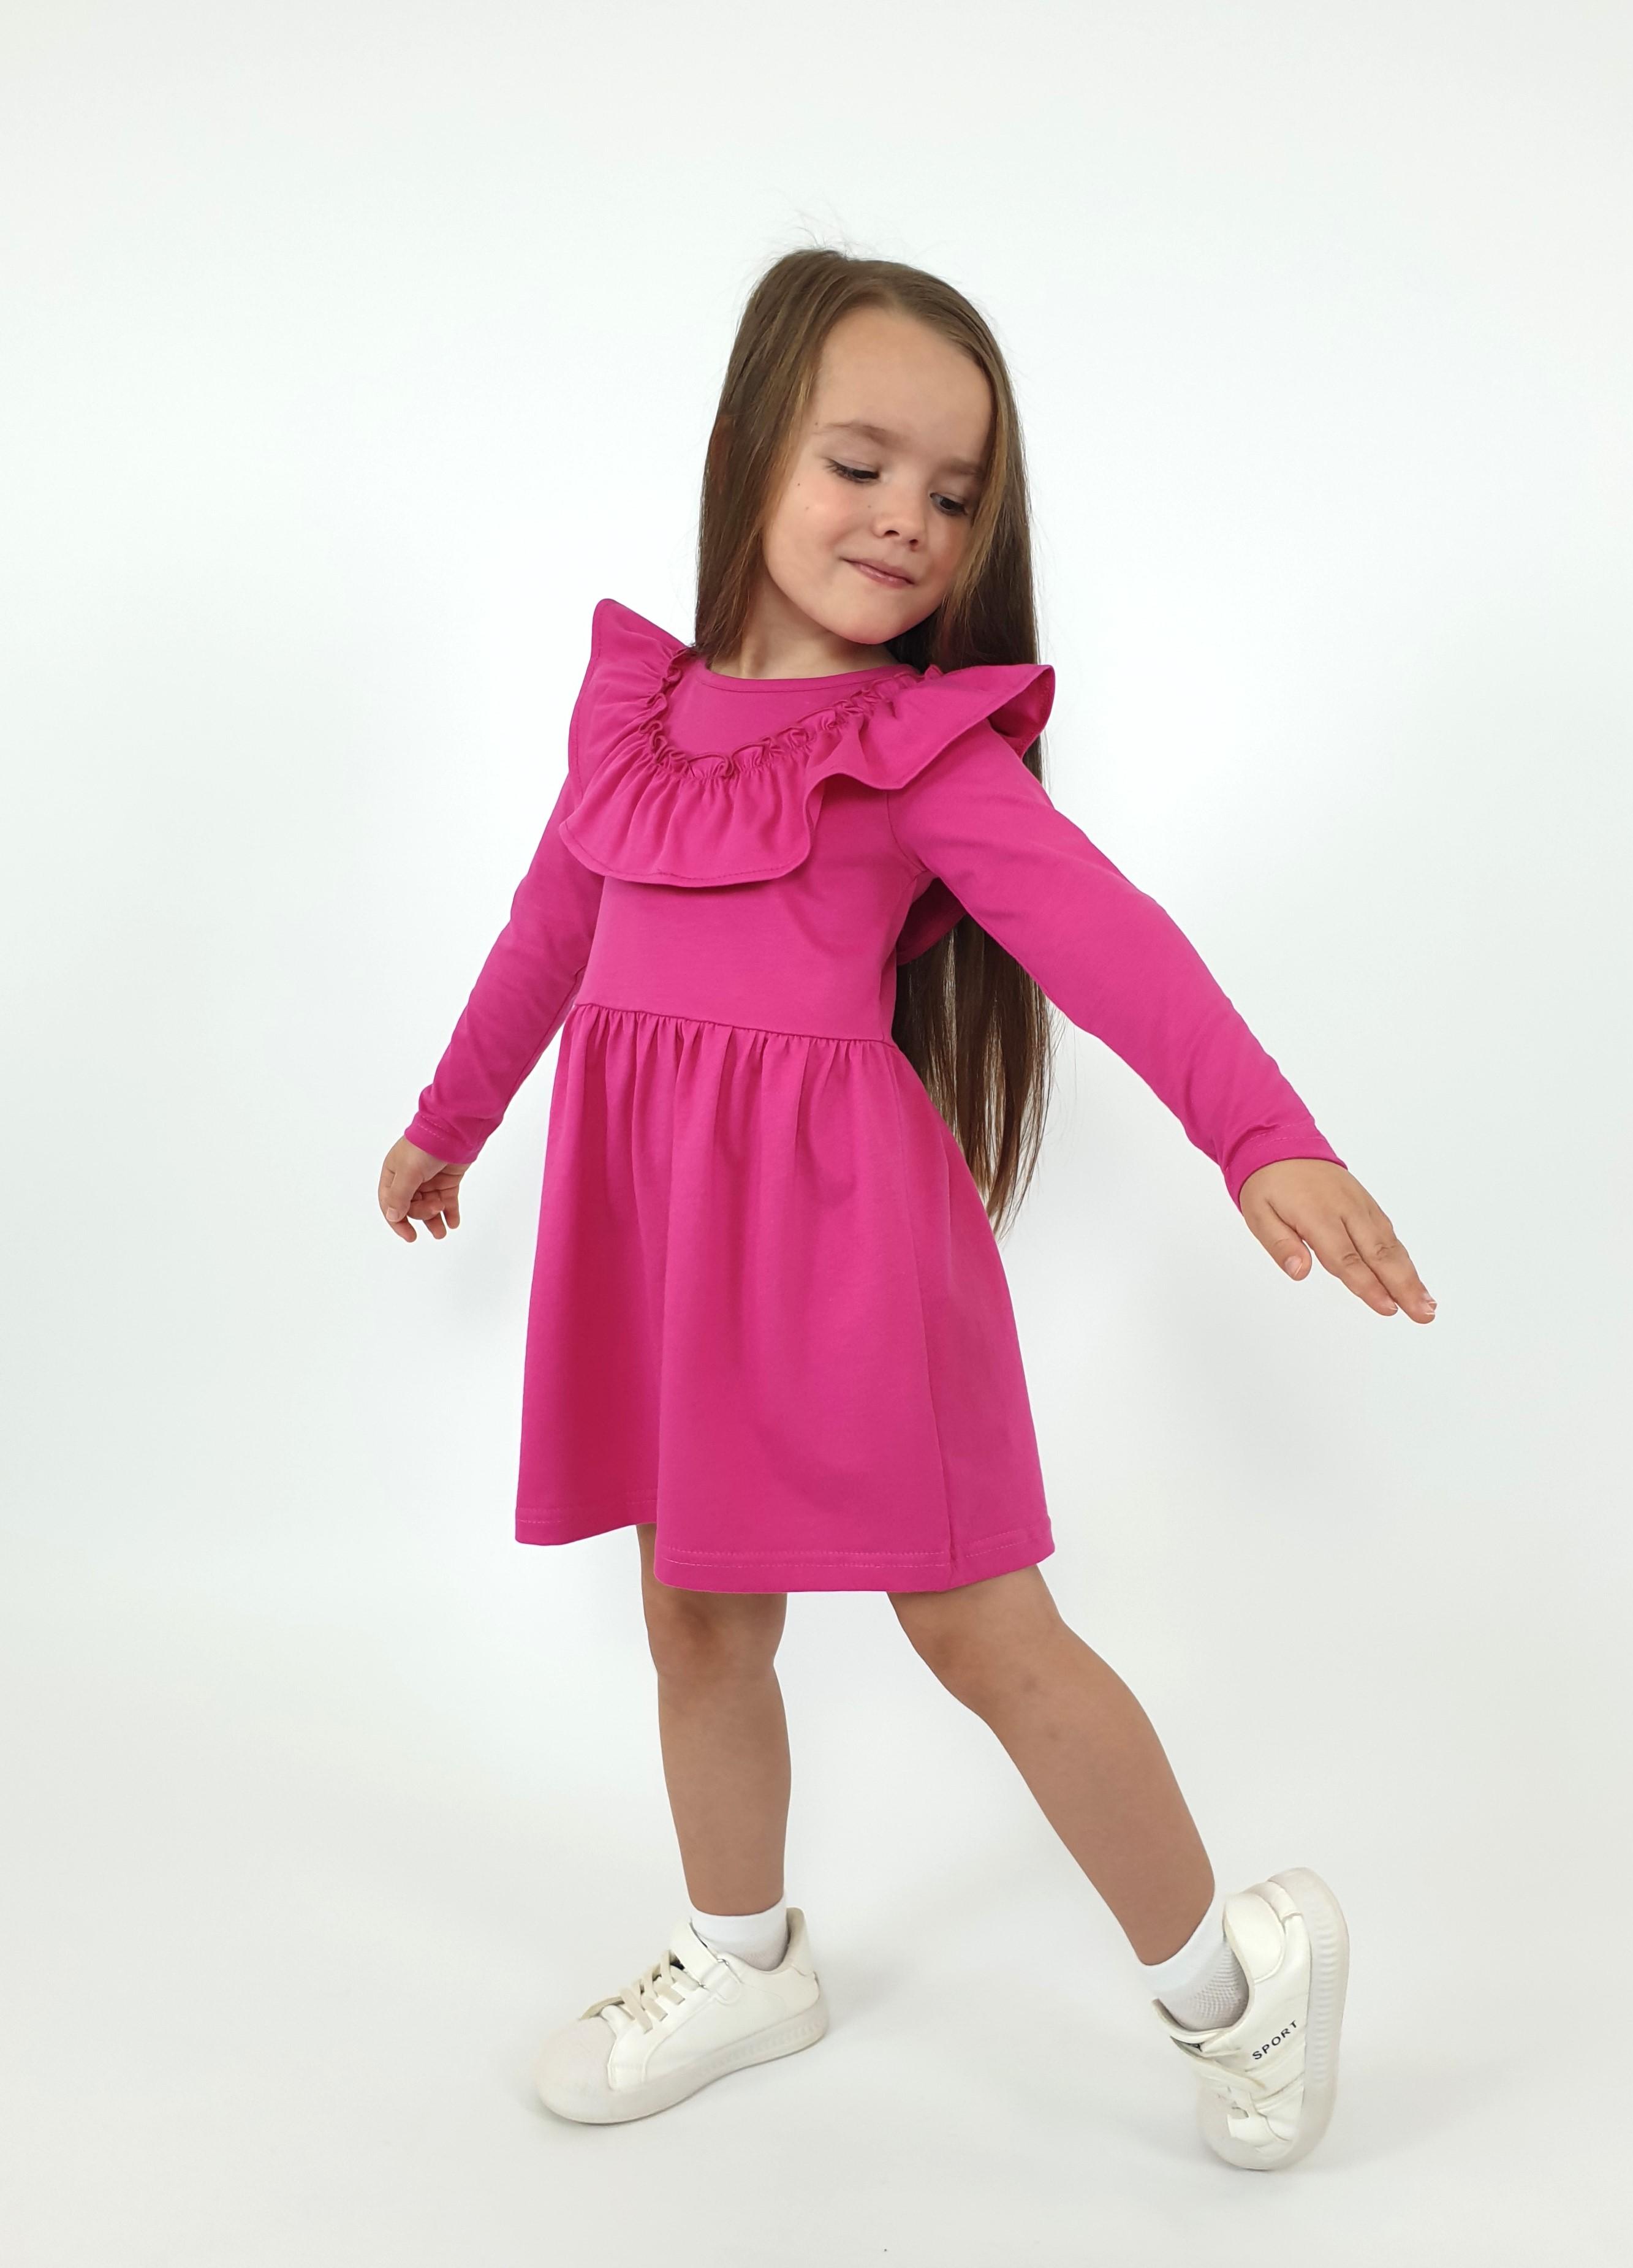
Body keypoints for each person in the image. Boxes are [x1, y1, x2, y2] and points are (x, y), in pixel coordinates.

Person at [377, 246, 1435, 2170]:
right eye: (861, 465)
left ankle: (1237, 1989)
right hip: (663, 1249)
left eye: (954, 496)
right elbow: (549, 934)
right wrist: (452, 1118)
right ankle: (742, 1958)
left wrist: (1261, 1133)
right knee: (697, 1616)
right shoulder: (633, 724)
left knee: (981, 1634)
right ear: (749, 450)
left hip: (845, 1251)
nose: (908, 522)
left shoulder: (918, 751)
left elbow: (1109, 938)